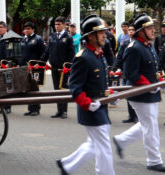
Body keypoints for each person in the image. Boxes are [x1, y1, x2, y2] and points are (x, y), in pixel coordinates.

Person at [56, 14, 115, 175]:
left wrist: (109, 91)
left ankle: (67, 166)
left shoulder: (99, 54)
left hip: (100, 106)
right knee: (104, 146)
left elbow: (99, 81)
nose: (105, 35)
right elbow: (74, 87)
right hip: (91, 109)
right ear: (90, 36)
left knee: (94, 144)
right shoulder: (83, 57)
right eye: (101, 32)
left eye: (104, 32)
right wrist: (87, 103)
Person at [113, 13, 165, 172]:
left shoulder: (146, 45)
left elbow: (151, 70)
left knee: (147, 124)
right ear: (140, 31)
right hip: (140, 94)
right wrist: (150, 86)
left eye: (153, 28)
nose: (154, 31)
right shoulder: (134, 48)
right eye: (150, 28)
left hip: (149, 92)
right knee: (151, 128)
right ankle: (154, 160)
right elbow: (131, 74)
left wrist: (158, 83)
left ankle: (121, 141)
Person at [41, 16, 75, 119]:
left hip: (64, 68)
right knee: (56, 89)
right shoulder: (52, 36)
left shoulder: (68, 38)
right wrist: (41, 61)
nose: (56, 26)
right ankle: (59, 110)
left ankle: (64, 111)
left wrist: (69, 66)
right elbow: (47, 51)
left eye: (59, 24)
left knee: (63, 89)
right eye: (55, 24)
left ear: (64, 25)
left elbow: (71, 54)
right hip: (54, 67)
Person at [114, 24, 138, 123]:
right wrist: (114, 67)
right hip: (126, 72)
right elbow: (120, 57)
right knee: (128, 94)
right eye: (130, 30)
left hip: (137, 72)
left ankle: (137, 115)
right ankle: (131, 116)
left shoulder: (139, 43)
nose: (131, 31)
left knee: (136, 94)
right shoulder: (125, 43)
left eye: (133, 30)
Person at [20, 22, 45, 116]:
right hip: (25, 67)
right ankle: (30, 108)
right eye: (25, 29)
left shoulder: (38, 39)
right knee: (27, 87)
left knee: (35, 87)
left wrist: (39, 63)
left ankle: (36, 108)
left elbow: (44, 53)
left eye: (29, 28)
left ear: (33, 29)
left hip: (35, 68)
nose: (26, 30)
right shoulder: (23, 39)